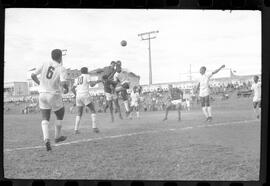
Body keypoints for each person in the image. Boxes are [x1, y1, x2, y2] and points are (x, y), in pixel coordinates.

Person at [31, 49, 69, 151]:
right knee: (60, 113)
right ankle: (57, 136)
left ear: (52, 56)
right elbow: (64, 83)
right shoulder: (61, 68)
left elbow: (33, 75)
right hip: (53, 94)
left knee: (45, 117)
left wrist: (40, 84)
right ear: (60, 57)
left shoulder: (44, 63)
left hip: (42, 94)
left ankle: (46, 139)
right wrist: (66, 88)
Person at [71, 67, 100, 134]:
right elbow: (92, 85)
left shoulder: (77, 78)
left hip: (78, 96)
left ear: (81, 72)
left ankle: (76, 129)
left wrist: (76, 95)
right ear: (86, 71)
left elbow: (72, 89)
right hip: (85, 94)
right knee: (92, 110)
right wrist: (97, 81)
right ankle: (94, 127)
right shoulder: (87, 76)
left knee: (79, 113)